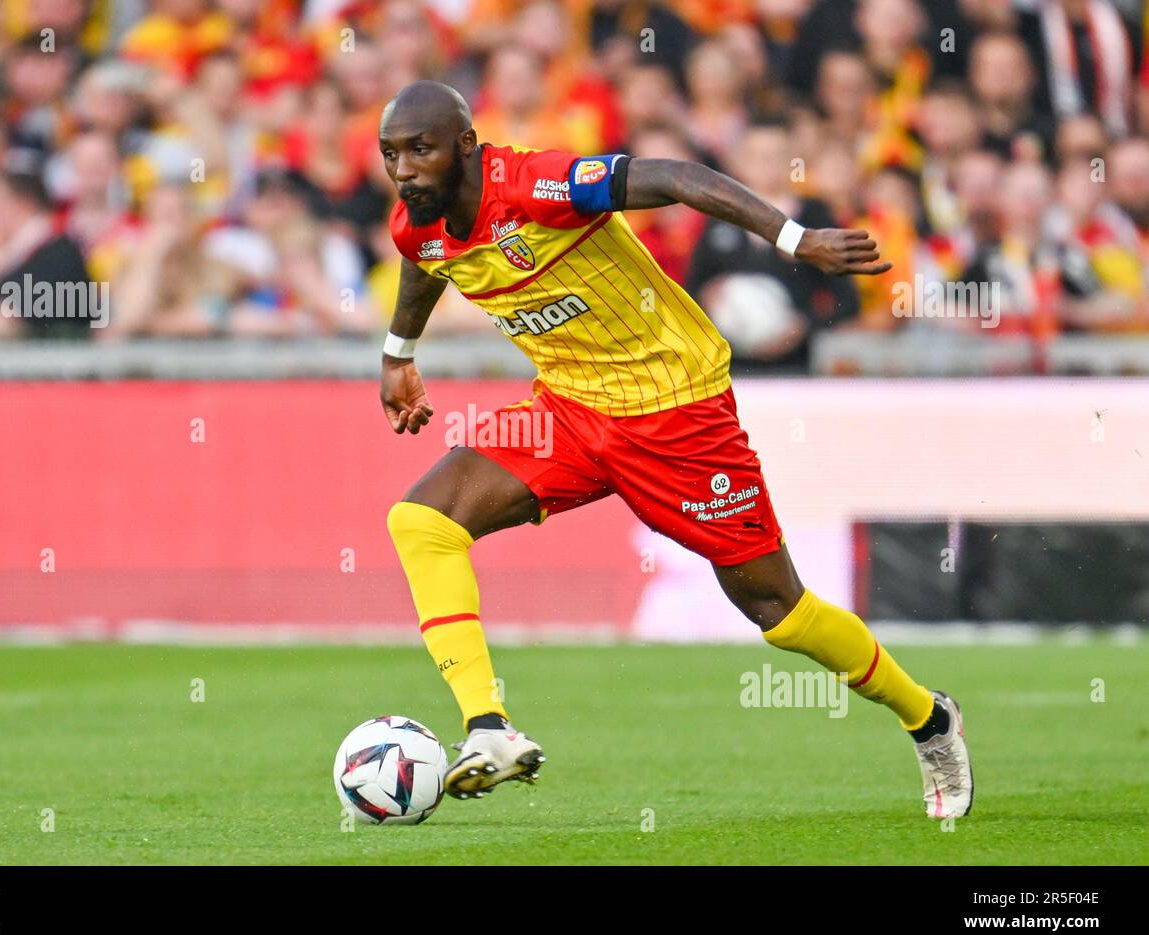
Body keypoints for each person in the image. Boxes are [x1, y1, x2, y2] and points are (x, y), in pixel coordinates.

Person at [377, 81, 973, 818]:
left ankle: (928, 717)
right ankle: (489, 729)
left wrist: (795, 238)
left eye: (420, 150)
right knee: (422, 521)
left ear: (465, 145)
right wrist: (399, 351)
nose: (404, 169)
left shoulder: (535, 185)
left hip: (676, 409)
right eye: (392, 155)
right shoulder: (419, 223)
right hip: (569, 407)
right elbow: (425, 258)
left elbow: (673, 178)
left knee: (777, 610)